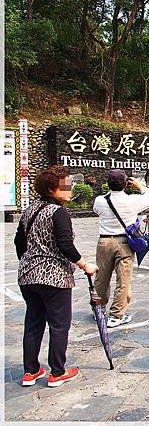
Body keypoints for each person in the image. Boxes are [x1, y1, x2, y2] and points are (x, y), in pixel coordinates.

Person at [15, 165, 98, 387]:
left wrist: (31, 261)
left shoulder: (30, 209)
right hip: (54, 277)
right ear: (53, 189)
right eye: (66, 185)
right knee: (59, 325)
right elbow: (65, 246)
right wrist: (85, 265)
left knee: (33, 323)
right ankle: (57, 372)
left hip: (28, 276)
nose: (70, 188)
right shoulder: (58, 212)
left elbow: (19, 243)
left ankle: (30, 371)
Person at [92, 170, 149, 327]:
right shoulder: (132, 201)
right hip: (124, 243)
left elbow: (96, 211)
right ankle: (116, 315)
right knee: (123, 280)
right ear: (126, 184)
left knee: (101, 278)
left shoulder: (100, 200)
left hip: (105, 241)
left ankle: (99, 310)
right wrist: (139, 186)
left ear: (108, 184)